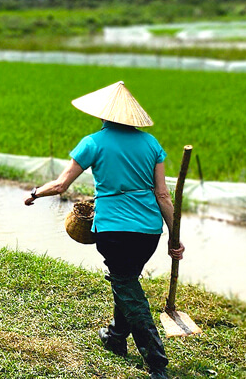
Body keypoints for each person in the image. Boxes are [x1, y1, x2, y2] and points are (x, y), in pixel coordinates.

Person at [23, 81, 185, 379]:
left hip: (113, 229)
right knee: (126, 281)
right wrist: (174, 237)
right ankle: (115, 337)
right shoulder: (151, 144)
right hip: (149, 231)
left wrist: (34, 193)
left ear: (103, 114)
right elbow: (163, 195)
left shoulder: (93, 143)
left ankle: (157, 362)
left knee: (127, 286)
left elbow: (60, 185)